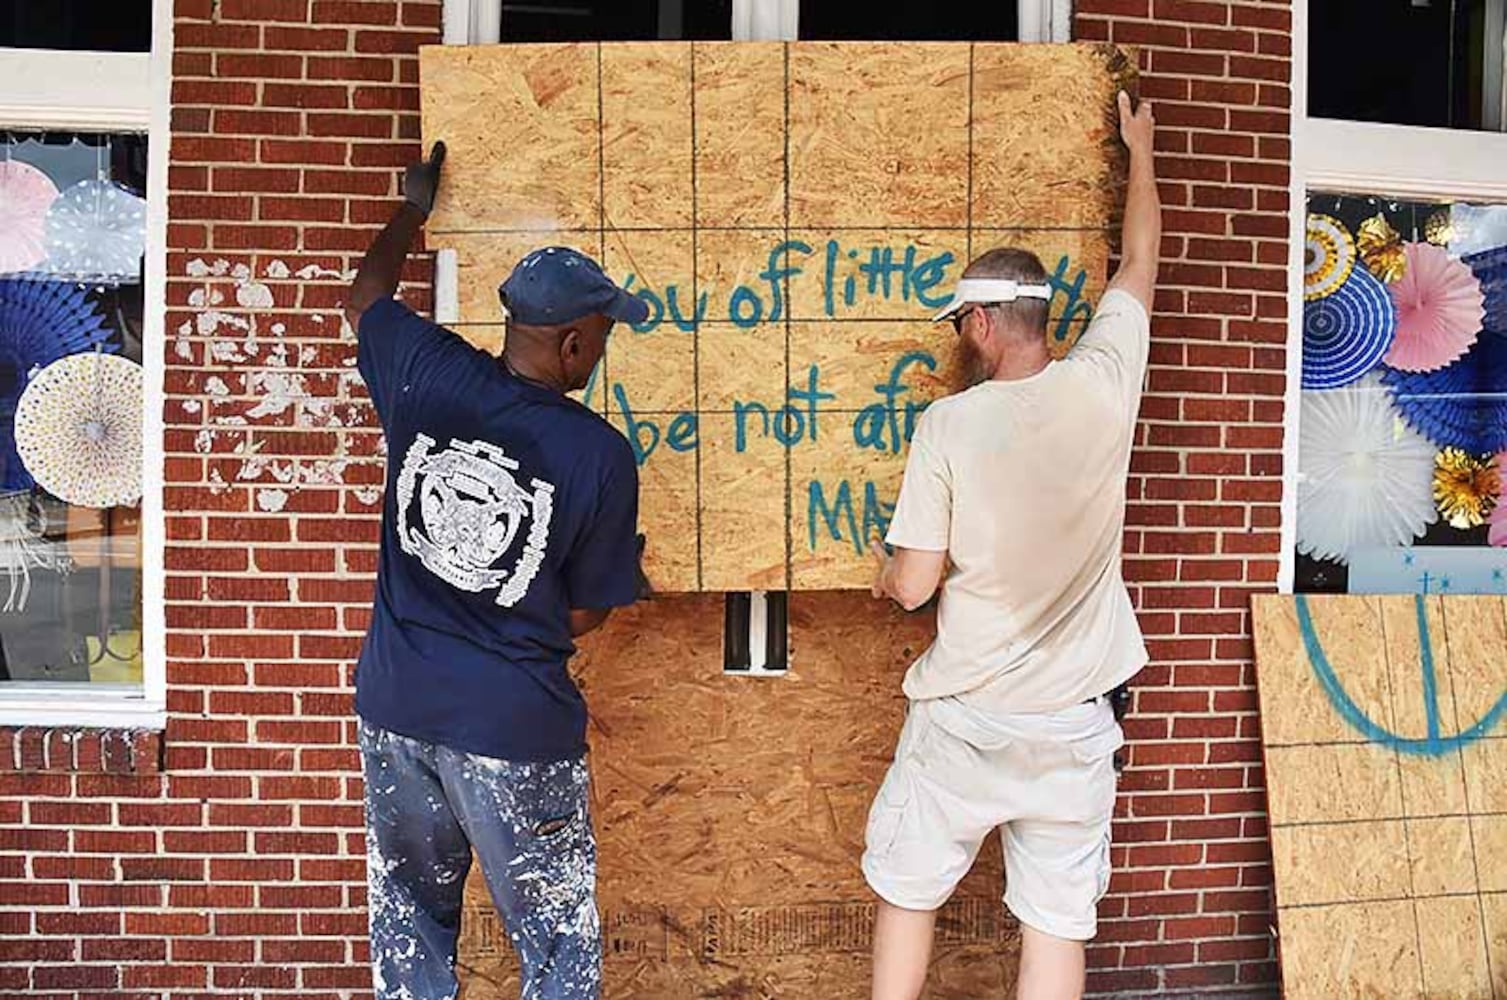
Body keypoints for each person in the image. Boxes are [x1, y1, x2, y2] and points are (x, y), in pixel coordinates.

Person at [864, 91, 1160, 1000]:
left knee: (906, 892)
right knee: (1056, 923)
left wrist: (883, 573)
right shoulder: (1107, 382)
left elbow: (913, 586)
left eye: (959, 324)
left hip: (970, 720)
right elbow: (1142, 257)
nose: (958, 341)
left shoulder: (949, 428)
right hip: (1074, 724)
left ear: (984, 323)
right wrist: (1140, 151)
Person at [344, 141, 650, 1000]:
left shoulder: (422, 367)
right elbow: (583, 616)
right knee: (554, 947)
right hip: (513, 731)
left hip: (397, 709)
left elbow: (363, 295)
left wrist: (412, 208)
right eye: (598, 340)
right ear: (571, 341)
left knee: (410, 923)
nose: (598, 355)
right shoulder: (597, 455)